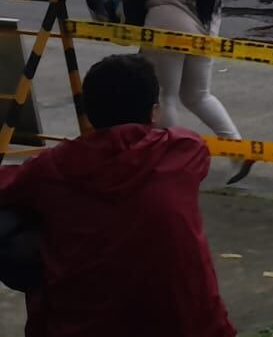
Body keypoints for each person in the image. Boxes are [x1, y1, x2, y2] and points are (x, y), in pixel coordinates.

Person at [0, 54, 235, 337]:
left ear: (87, 114)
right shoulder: (184, 151)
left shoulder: (52, 168)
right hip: (194, 327)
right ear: (154, 112)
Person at [131, 0, 249, 184]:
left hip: (168, 22)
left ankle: (166, 158)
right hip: (208, 26)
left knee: (165, 95)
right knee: (197, 95)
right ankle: (237, 149)